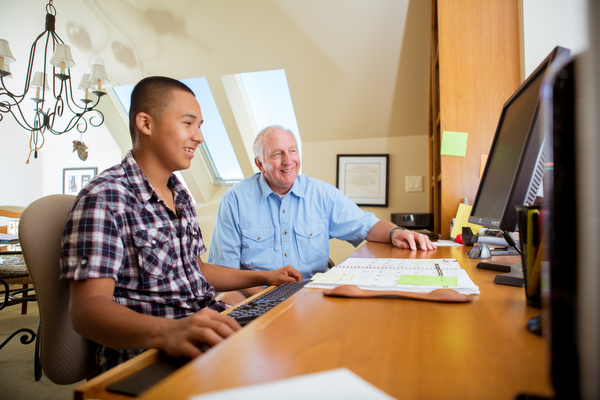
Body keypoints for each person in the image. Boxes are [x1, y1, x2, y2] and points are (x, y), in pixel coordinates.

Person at [60, 78, 302, 373]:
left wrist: (265, 276)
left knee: (295, 343)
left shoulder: (180, 193)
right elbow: (86, 311)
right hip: (150, 352)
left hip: (202, 326)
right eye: (188, 123)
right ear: (145, 124)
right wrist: (169, 332)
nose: (199, 137)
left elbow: (194, 270)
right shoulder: (105, 198)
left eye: (199, 126)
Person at [208, 125, 436, 304]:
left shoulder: (321, 194)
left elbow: (365, 224)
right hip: (256, 295)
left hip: (312, 296)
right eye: (277, 154)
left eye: (293, 151)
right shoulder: (235, 200)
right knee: (225, 302)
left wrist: (396, 232)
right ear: (260, 163)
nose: (288, 161)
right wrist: (266, 298)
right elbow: (224, 272)